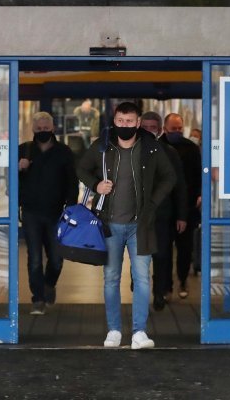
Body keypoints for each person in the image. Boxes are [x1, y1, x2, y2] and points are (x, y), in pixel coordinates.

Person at [77, 102, 177, 349]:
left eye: (129, 121)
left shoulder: (151, 147)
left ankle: (139, 332)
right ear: (114, 120)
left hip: (140, 226)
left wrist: (152, 203)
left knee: (142, 278)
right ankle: (114, 330)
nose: (124, 125)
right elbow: (81, 168)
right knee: (111, 278)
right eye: (120, 121)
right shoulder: (102, 145)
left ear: (138, 122)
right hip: (109, 225)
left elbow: (169, 177)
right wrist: (96, 185)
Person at [19, 111, 78, 315]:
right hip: (31, 212)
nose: (42, 131)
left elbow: (72, 182)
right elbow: (11, 182)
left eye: (46, 128)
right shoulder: (24, 150)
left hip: (57, 213)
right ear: (33, 129)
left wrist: (71, 207)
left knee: (56, 258)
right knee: (34, 258)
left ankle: (49, 284)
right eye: (39, 129)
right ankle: (38, 299)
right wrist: (18, 169)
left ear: (53, 128)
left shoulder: (64, 152)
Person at [140, 111, 188, 311]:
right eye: (145, 127)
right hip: (135, 215)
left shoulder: (169, 153)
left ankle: (159, 292)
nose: (148, 131)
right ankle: (138, 284)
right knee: (139, 255)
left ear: (160, 130)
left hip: (162, 213)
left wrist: (182, 215)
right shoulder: (127, 151)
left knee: (161, 255)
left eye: (152, 128)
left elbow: (180, 186)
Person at [160, 113, 202, 299]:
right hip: (164, 207)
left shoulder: (190, 148)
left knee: (185, 248)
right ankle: (166, 286)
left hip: (188, 206)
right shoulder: (157, 148)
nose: (177, 132)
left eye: (179, 128)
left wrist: (200, 194)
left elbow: (199, 175)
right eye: (173, 129)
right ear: (165, 128)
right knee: (164, 251)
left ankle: (183, 280)